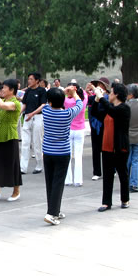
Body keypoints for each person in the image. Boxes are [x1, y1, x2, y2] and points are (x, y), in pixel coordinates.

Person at [41, 85, 83, 225]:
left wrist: (61, 93)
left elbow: (47, 102)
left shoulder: (46, 111)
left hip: (47, 152)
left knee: (50, 181)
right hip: (62, 152)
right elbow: (80, 104)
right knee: (58, 183)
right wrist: (73, 93)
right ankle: (52, 213)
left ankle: (53, 210)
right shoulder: (67, 114)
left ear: (50, 102)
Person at [88, 83, 131, 212]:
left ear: (116, 94)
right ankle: (106, 202)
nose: (109, 95)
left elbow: (113, 112)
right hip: (107, 146)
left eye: (111, 93)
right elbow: (95, 112)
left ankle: (125, 199)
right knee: (107, 175)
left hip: (119, 147)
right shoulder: (110, 107)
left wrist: (101, 97)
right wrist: (96, 99)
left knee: (122, 174)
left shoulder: (124, 108)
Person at [20, 72, 47, 175]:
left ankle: (39, 165)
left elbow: (43, 104)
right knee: (25, 143)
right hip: (27, 117)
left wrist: (33, 113)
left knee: (37, 142)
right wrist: (19, 113)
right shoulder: (28, 91)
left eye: (31, 79)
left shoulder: (42, 91)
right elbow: (24, 104)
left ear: (37, 81)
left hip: (38, 117)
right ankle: (23, 167)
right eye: (28, 79)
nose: (29, 81)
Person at [64, 83, 88, 187]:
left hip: (68, 130)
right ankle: (78, 180)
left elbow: (60, 96)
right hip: (79, 130)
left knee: (67, 155)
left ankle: (68, 179)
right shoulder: (83, 99)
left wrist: (66, 90)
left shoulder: (66, 101)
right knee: (78, 156)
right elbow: (85, 93)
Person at [87, 77, 111, 180]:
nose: (97, 86)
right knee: (96, 149)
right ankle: (97, 172)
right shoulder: (93, 97)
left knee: (108, 149)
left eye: (100, 85)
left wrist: (98, 93)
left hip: (105, 125)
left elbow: (105, 102)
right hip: (95, 126)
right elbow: (90, 101)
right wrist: (88, 91)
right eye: (96, 84)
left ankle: (111, 169)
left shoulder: (108, 97)